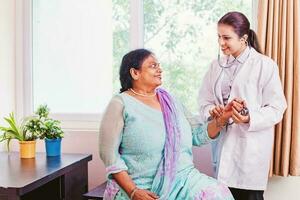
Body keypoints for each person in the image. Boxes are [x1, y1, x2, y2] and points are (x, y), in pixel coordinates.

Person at [99, 49, 234, 200]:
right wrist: (133, 191)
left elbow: (197, 135)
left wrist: (221, 119)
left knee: (218, 194)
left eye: (159, 65)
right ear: (135, 73)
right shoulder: (120, 103)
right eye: (152, 66)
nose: (159, 69)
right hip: (141, 185)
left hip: (184, 180)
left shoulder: (171, 101)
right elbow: (109, 156)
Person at [198, 11, 287, 200]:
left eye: (226, 38)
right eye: (219, 37)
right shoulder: (216, 66)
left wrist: (249, 118)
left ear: (243, 38)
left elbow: (277, 108)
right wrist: (211, 110)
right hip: (222, 148)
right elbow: (203, 101)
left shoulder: (265, 65)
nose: (221, 43)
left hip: (249, 151)